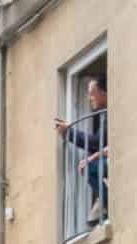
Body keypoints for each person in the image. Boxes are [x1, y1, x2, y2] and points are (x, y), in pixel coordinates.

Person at [53, 75, 108, 225]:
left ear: (105, 93)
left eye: (92, 93)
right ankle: (105, 201)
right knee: (89, 165)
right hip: (108, 157)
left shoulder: (110, 114)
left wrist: (69, 132)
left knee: (89, 166)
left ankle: (107, 201)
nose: (90, 98)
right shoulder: (104, 115)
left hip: (112, 160)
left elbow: (97, 142)